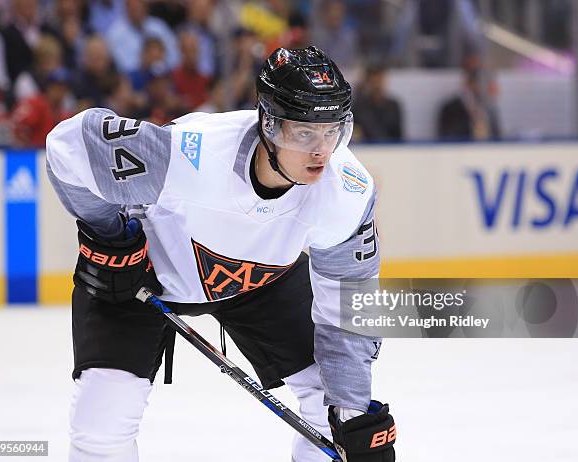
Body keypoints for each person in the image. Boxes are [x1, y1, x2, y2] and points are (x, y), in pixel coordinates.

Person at [46, 46, 396, 462]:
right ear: (269, 123)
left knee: (331, 408)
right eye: (303, 132)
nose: (321, 150)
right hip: (142, 273)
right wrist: (110, 237)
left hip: (263, 279)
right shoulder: (191, 155)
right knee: (100, 423)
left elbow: (348, 313)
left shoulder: (346, 193)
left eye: (332, 130)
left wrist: (353, 414)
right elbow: (68, 145)